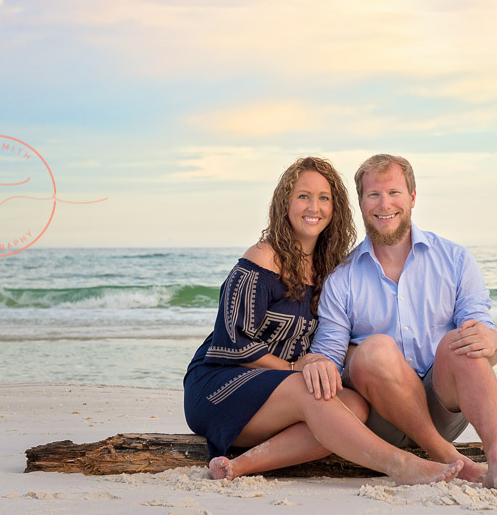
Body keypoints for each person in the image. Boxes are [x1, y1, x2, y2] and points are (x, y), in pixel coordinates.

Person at [183, 156, 463, 485]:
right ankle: (400, 465)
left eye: (324, 198)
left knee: (354, 406)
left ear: (335, 208)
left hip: (279, 394)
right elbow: (232, 342)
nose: (313, 206)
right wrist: (294, 368)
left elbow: (335, 337)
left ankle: (239, 466)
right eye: (303, 196)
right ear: (285, 203)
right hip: (219, 386)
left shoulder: (329, 269)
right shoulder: (262, 258)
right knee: (313, 389)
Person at [307, 154, 497, 494]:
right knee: (375, 350)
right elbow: (330, 355)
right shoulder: (343, 277)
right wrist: (321, 360)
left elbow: (485, 341)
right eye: (374, 195)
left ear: (412, 197)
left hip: (444, 410)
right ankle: (446, 457)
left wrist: (493, 341)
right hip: (382, 416)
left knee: (463, 340)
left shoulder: (454, 259)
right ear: (361, 202)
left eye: (394, 193)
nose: (385, 204)